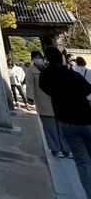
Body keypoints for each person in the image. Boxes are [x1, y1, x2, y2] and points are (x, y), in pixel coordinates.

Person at [40, 46, 91, 198]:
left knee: (82, 162)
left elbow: (46, 89)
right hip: (86, 118)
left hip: (65, 121)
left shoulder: (46, 76)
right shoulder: (72, 74)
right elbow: (88, 90)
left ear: (46, 59)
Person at [26, 50, 72, 158]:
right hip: (42, 101)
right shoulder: (30, 70)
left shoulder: (49, 68)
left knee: (61, 127)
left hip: (56, 100)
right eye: (36, 57)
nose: (38, 58)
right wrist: (30, 98)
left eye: (39, 56)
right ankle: (55, 148)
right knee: (49, 127)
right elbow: (30, 85)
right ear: (32, 59)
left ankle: (66, 149)